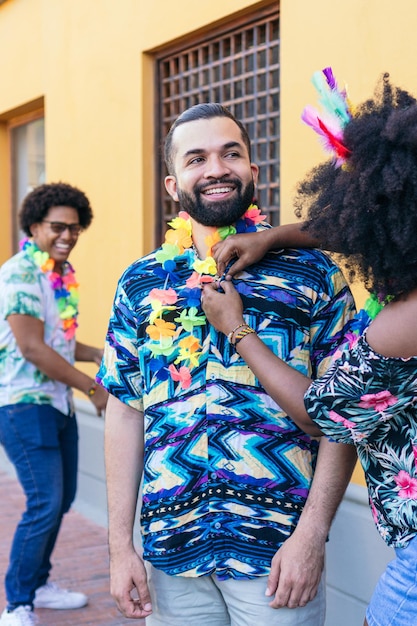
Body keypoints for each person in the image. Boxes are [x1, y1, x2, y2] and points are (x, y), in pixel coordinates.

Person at [97, 102, 358, 626]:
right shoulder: (139, 283)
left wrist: (310, 536)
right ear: (173, 185)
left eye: (230, 153)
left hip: (277, 553)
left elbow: (346, 412)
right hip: (174, 553)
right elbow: (125, 411)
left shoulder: (313, 274)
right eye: (196, 159)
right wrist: (120, 548)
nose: (216, 168)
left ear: (253, 171)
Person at [201, 70, 417, 626]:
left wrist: (239, 331)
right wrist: (273, 236)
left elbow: (321, 412)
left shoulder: (403, 321)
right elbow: (357, 222)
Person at [0, 182, 108, 626]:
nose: (67, 236)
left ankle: (39, 584)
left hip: (56, 404)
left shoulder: (57, 274)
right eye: (58, 228)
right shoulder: (21, 272)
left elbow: (57, 344)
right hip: (24, 404)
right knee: (45, 501)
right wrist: (91, 386)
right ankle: (17, 604)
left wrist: (99, 354)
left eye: (75, 228)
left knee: (59, 501)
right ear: (34, 226)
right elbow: (33, 348)